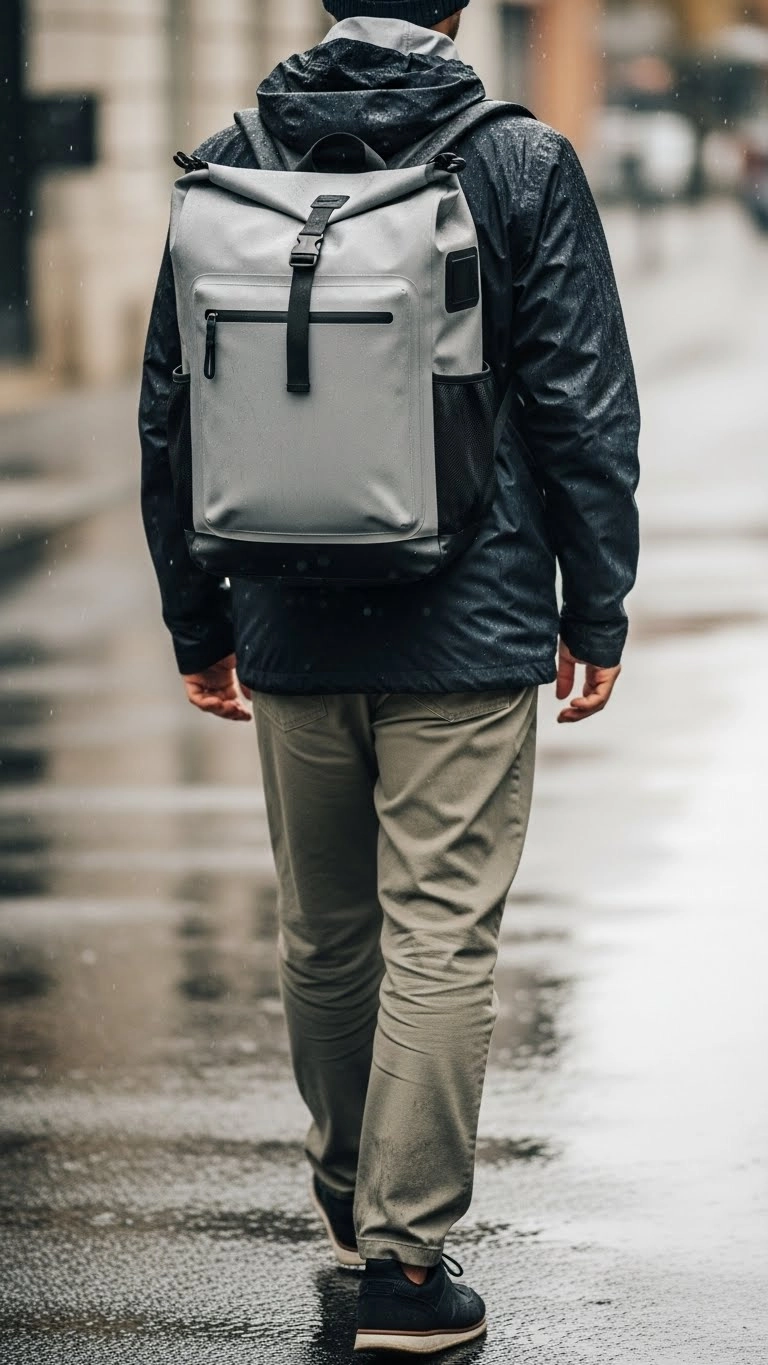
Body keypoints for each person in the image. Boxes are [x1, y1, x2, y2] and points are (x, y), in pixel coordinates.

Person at [139, 0, 640, 1352]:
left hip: (286, 609)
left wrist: (198, 622)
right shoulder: (518, 161)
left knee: (326, 931)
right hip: (467, 620)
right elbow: (580, 401)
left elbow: (173, 404)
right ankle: (408, 1273)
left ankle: (352, 1186)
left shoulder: (234, 153)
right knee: (438, 929)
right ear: (459, 8)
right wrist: (595, 602)